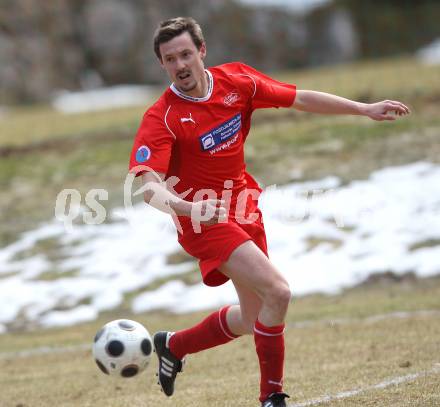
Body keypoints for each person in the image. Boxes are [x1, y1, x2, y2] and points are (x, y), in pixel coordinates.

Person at [128, 17, 410, 407]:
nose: (180, 65)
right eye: (170, 59)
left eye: (186, 54)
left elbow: (300, 98)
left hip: (243, 206)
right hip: (201, 219)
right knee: (279, 291)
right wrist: (187, 206)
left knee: (254, 316)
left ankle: (174, 345)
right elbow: (149, 188)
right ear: (161, 64)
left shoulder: (236, 82)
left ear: (202, 51)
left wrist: (363, 108)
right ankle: (271, 397)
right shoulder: (161, 118)